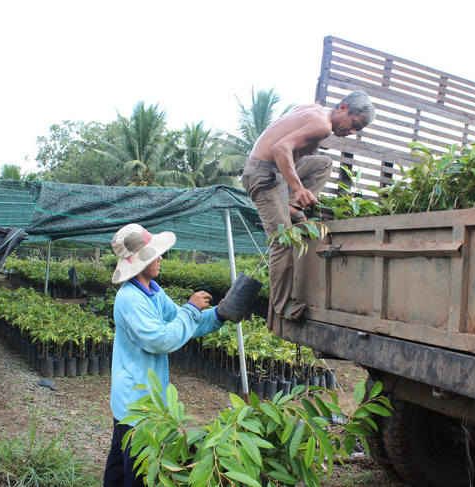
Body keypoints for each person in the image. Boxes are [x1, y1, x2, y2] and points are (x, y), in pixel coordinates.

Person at [103, 223, 225, 487]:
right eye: (155, 253)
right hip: (136, 404)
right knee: (136, 469)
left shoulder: (154, 293)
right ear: (140, 261)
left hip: (147, 399)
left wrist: (217, 315)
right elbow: (161, 339)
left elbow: (186, 324)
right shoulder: (130, 299)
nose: (160, 258)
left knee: (121, 463)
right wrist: (191, 309)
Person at [241, 90, 375, 320]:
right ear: (342, 107)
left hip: (275, 171)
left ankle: (292, 207)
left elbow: (289, 150)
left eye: (357, 130)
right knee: (283, 242)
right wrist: (298, 188)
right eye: (353, 124)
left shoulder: (314, 110)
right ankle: (282, 307)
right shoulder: (322, 125)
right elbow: (280, 148)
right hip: (264, 175)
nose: (351, 132)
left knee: (323, 163)